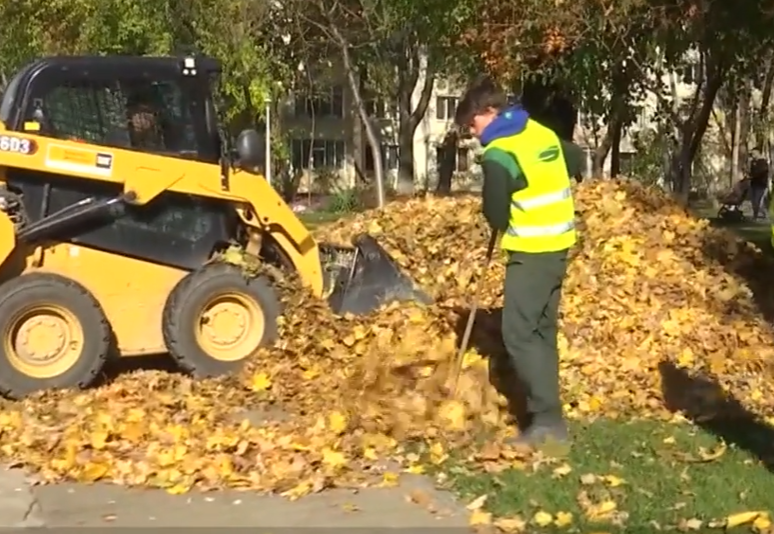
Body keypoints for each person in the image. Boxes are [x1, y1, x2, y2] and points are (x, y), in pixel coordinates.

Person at [454, 76, 583, 450]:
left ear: (490, 113)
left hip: (532, 250)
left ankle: (546, 423)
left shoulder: (499, 153)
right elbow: (572, 158)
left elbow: (495, 214)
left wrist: (504, 201)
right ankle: (549, 415)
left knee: (518, 333)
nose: (472, 132)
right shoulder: (538, 132)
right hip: (559, 245)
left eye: (473, 123)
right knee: (541, 331)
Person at [748, 152, 769, 219]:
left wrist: (754, 175)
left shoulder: (763, 162)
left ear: (757, 153)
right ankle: (757, 214)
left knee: (758, 200)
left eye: (753, 154)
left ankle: (759, 214)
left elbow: (763, 172)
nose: (752, 156)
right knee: (753, 201)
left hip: (761, 184)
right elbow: (752, 172)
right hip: (753, 183)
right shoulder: (753, 162)